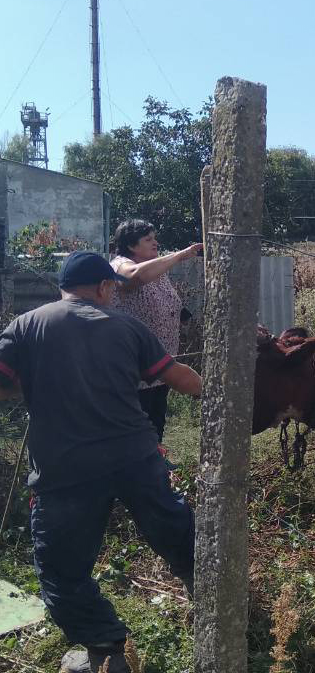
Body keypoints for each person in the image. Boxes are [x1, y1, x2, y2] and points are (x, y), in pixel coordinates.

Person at [0, 251, 202, 673]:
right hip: (136, 457)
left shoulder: (27, 326)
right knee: (174, 527)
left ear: (63, 287)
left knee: (62, 570)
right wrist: (231, 395)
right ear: (104, 287)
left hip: (65, 470)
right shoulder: (128, 326)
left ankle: (104, 650)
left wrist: (35, 386)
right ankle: (208, 593)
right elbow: (178, 377)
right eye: (113, 286)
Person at [110, 219, 203, 444]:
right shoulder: (119, 265)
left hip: (161, 364)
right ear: (131, 246)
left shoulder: (156, 268)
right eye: (148, 239)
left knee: (156, 421)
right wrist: (182, 255)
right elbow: (131, 279)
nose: (156, 243)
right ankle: (140, 469)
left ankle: (156, 463)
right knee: (137, 426)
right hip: (134, 367)